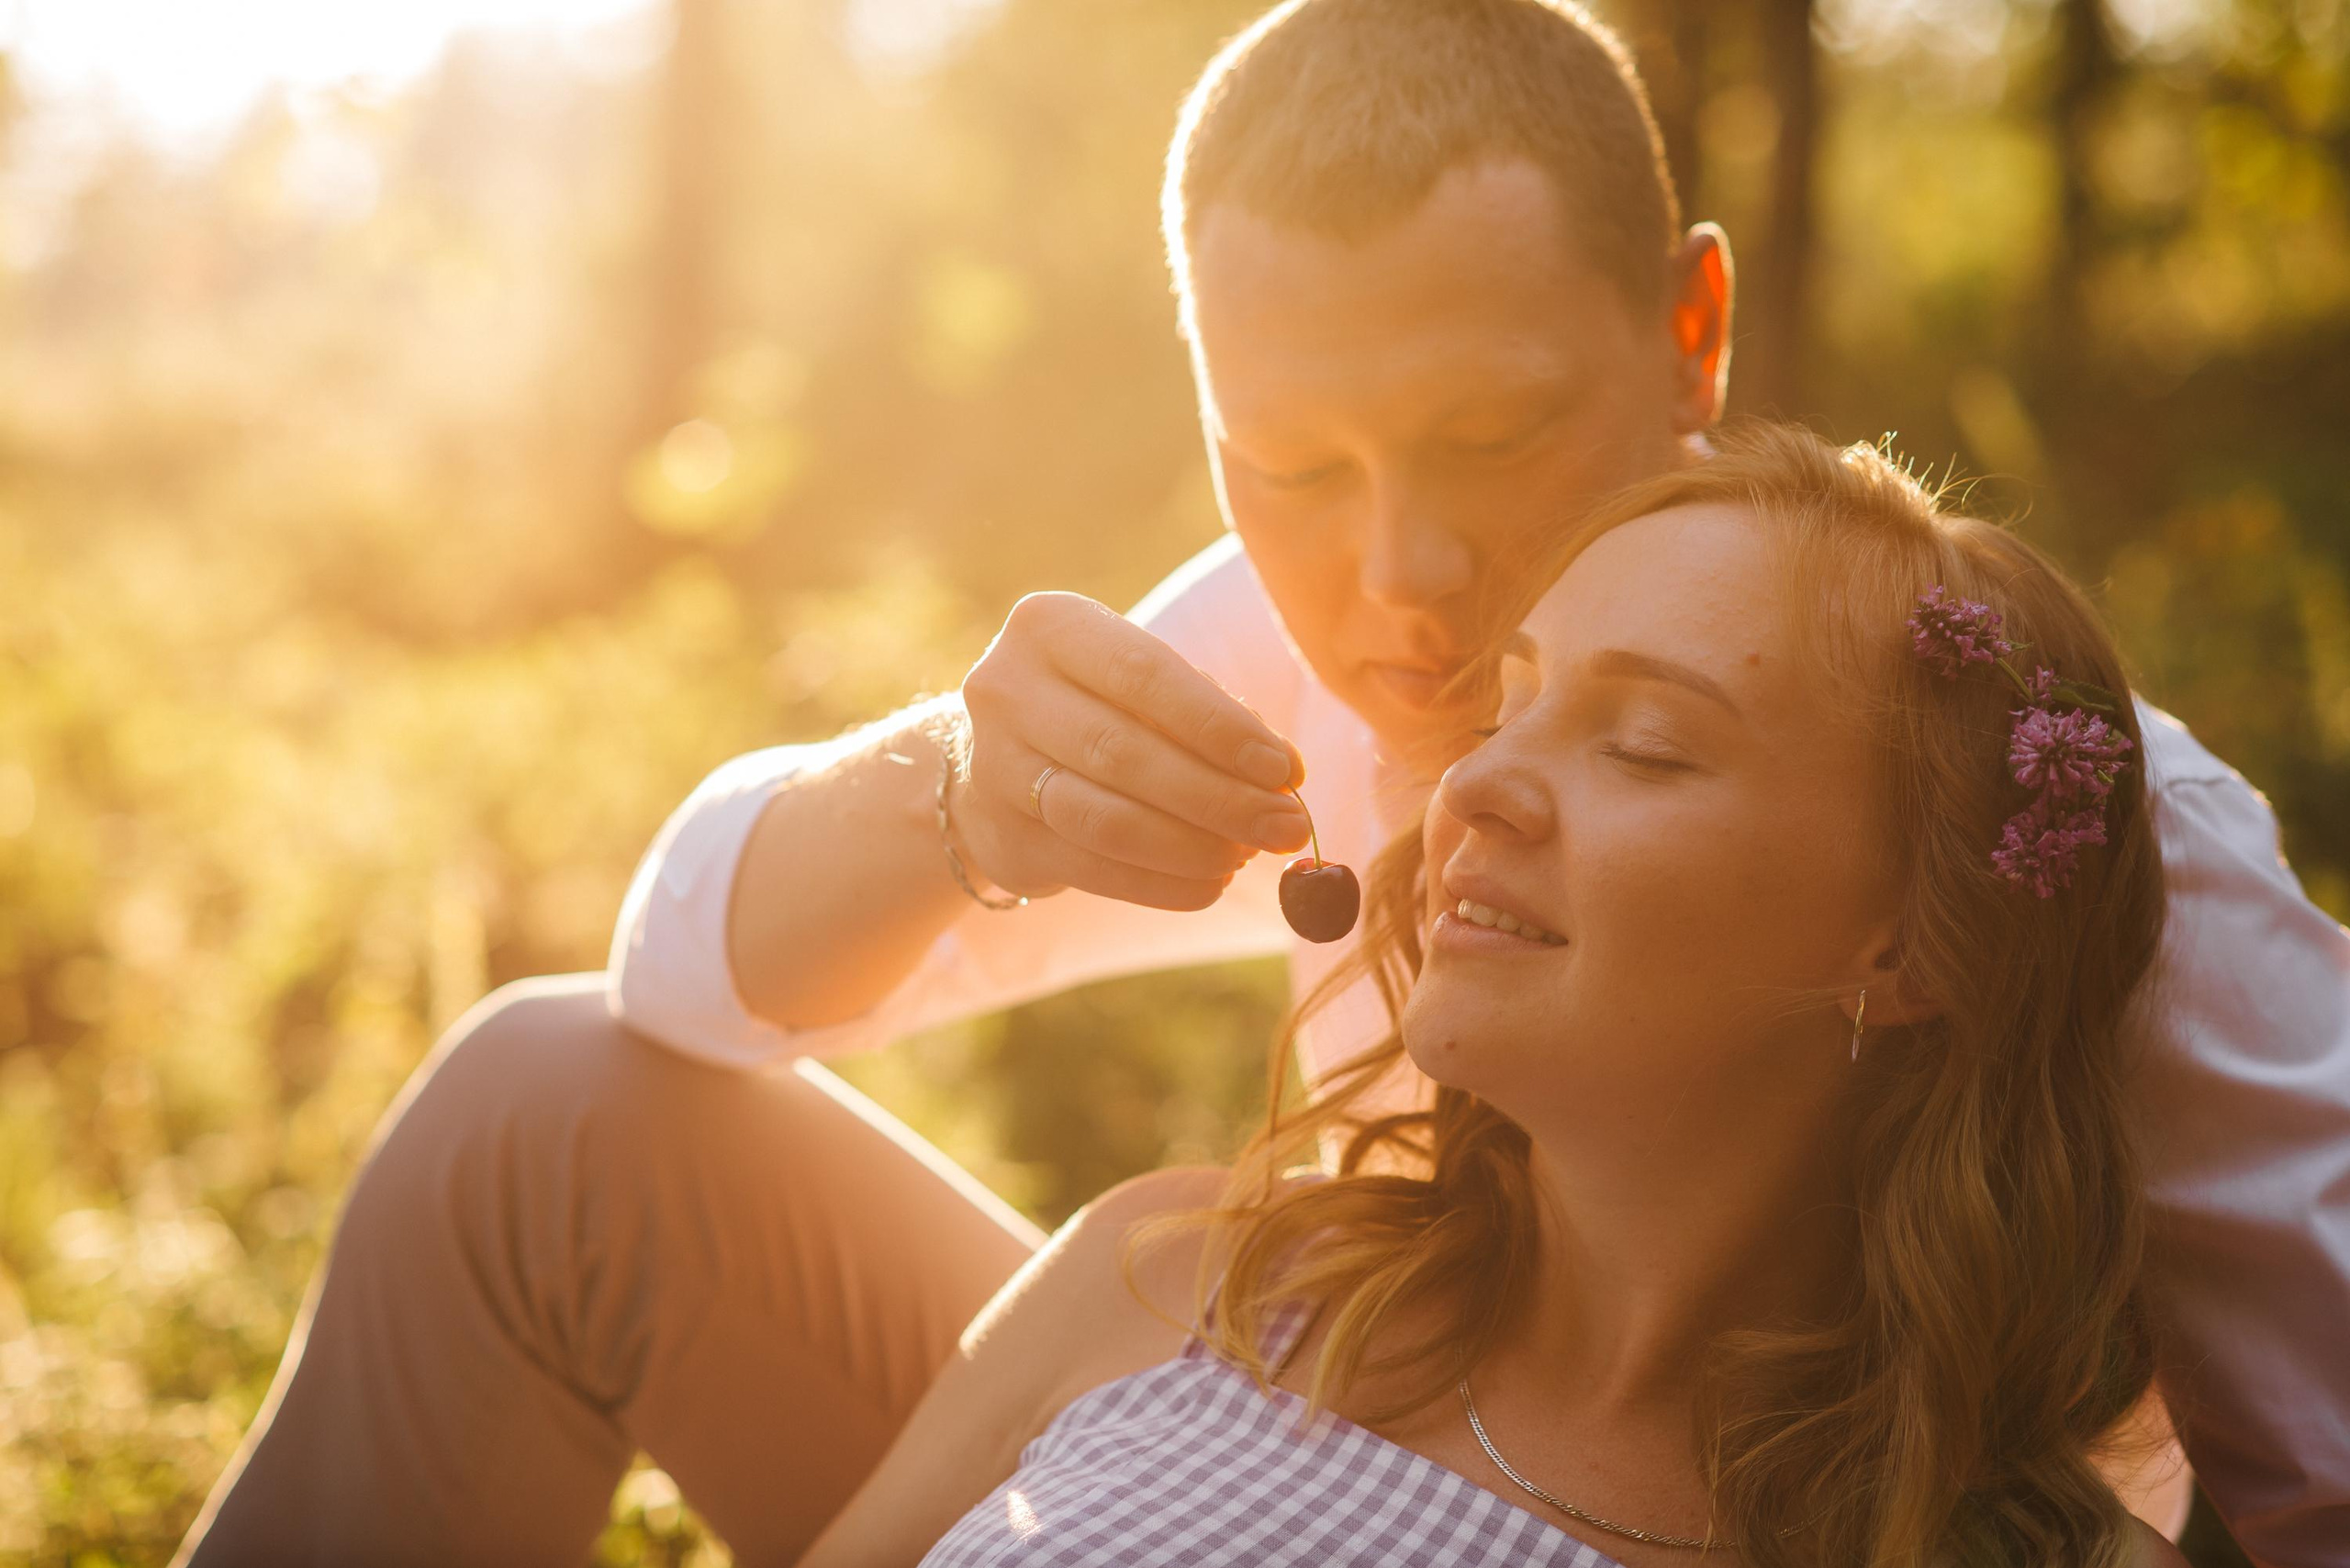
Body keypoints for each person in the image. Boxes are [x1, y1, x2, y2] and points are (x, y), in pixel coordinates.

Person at [174, 2, 2349, 1564]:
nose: (1390, 586)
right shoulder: (1270, 721)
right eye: (1288, 467)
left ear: (1690, 334)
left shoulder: (2031, 791)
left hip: (1790, 1492)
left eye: (1490, 439)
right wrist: (948, 792)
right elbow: (687, 969)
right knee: (548, 1106)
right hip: (1309, 1392)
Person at [803, 421, 2193, 1568]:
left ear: (1910, 948)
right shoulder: (1171, 1279)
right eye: (1506, 708)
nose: (1470, 787)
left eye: (1646, 747)